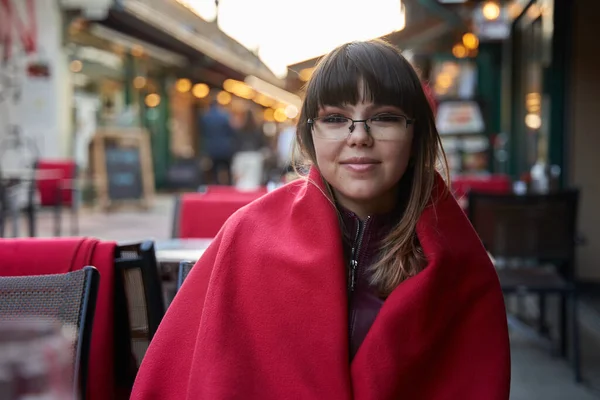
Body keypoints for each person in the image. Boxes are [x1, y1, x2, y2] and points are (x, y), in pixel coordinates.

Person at [131, 40, 510, 399]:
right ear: (310, 137)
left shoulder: (457, 260)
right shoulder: (248, 234)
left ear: (416, 138)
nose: (358, 136)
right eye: (335, 118)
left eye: (384, 118)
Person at [198, 99, 236, 185]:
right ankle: (228, 187)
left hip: (211, 148)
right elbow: (232, 132)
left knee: (214, 171)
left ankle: (216, 188)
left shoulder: (205, 118)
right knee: (228, 170)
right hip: (226, 148)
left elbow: (202, 133)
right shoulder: (225, 116)